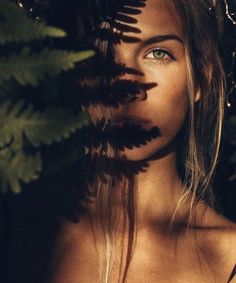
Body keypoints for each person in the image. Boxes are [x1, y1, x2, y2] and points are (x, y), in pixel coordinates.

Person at [50, 0, 236, 282]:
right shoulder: (19, 230)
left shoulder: (228, 257)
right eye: (96, 56)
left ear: (200, 79)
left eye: (158, 53)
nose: (127, 87)